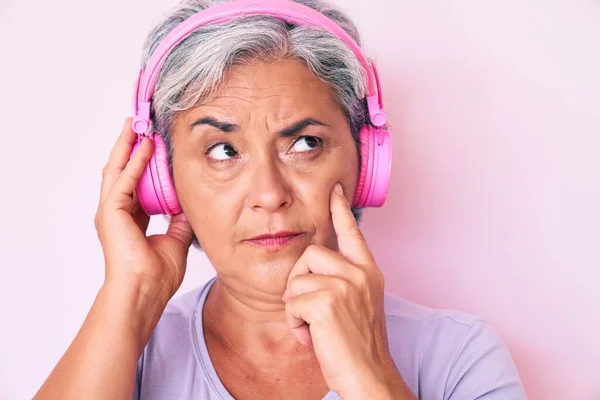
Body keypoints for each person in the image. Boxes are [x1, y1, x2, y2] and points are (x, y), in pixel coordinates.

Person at [34, 0, 527, 399]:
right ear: (163, 182)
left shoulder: (460, 355)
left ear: (366, 163)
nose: (269, 194)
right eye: (223, 151)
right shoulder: (124, 353)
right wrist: (132, 294)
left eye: (305, 144)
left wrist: (370, 376)